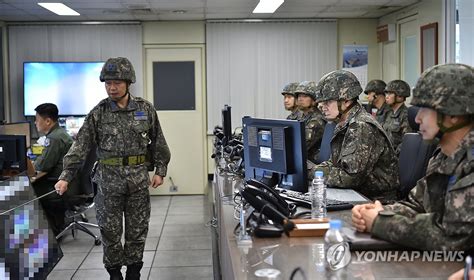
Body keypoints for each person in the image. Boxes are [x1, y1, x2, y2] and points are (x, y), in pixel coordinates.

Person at [54, 57, 171, 280]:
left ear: (128, 83)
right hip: (108, 182)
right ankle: (115, 273)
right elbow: (80, 147)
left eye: (116, 82)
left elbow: (158, 142)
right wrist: (65, 177)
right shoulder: (98, 113)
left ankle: (134, 272)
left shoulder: (145, 109)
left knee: (137, 231)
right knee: (110, 232)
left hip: (137, 181)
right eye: (108, 83)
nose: (112, 87)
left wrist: (160, 170)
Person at [352, 63, 474, 251]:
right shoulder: (443, 156)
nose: (417, 119)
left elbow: (454, 239)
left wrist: (380, 222)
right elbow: (418, 204)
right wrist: (379, 212)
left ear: (454, 115)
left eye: (425, 110)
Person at [310, 70, 399, 202]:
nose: (321, 106)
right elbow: (336, 163)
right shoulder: (344, 122)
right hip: (357, 194)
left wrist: (311, 171)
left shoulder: (361, 126)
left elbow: (350, 177)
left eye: (327, 101)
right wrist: (315, 170)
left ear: (346, 101)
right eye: (321, 102)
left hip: (376, 201)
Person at [31, 103, 73, 236]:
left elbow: (43, 166)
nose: (35, 123)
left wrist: (30, 170)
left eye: (37, 119)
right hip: (68, 182)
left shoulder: (54, 138)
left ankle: (47, 231)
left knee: (24, 190)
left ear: (48, 121)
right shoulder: (59, 134)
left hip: (55, 184)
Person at [294, 81, 326, 163]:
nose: (300, 99)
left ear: (314, 99)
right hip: (302, 160)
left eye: (304, 96)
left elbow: (300, 146)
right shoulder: (300, 116)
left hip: (312, 164)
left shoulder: (317, 120)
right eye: (299, 96)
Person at [383, 79, 412, 155]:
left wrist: (392, 156)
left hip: (396, 158)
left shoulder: (406, 115)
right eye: (386, 94)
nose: (386, 97)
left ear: (400, 96)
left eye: (390, 94)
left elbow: (406, 142)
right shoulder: (388, 113)